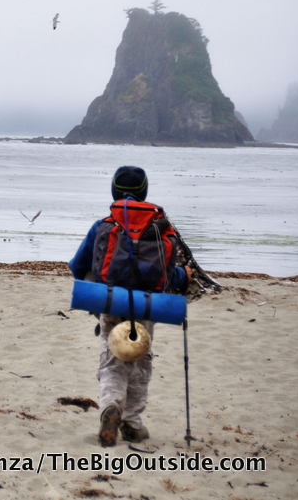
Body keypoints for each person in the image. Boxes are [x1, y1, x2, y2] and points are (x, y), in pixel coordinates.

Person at [69, 166, 191, 447]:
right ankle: (133, 424)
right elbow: (170, 276)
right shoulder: (161, 228)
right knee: (140, 361)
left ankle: (111, 406)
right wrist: (186, 276)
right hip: (147, 307)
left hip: (112, 302)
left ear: (114, 190)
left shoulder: (104, 225)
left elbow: (78, 265)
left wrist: (95, 292)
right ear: (145, 192)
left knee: (113, 358)